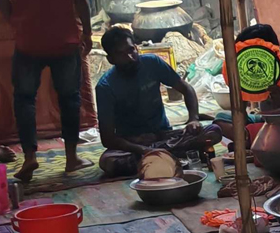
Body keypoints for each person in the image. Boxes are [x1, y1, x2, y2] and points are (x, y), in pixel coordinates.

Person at [0, 0, 90, 180]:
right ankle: (71, 158)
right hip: (64, 38)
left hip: (27, 39)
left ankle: (30, 157)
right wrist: (86, 32)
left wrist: (14, 19)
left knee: (24, 99)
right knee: (69, 98)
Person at [94, 26, 220, 178]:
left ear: (137, 48)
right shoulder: (105, 87)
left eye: (131, 50)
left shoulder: (152, 63)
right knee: (108, 162)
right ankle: (166, 157)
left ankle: (157, 159)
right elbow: (107, 139)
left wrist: (193, 119)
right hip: (132, 145)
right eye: (120, 54)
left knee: (213, 131)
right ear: (111, 59)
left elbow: (186, 89)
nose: (130, 57)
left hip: (164, 136)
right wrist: (142, 150)